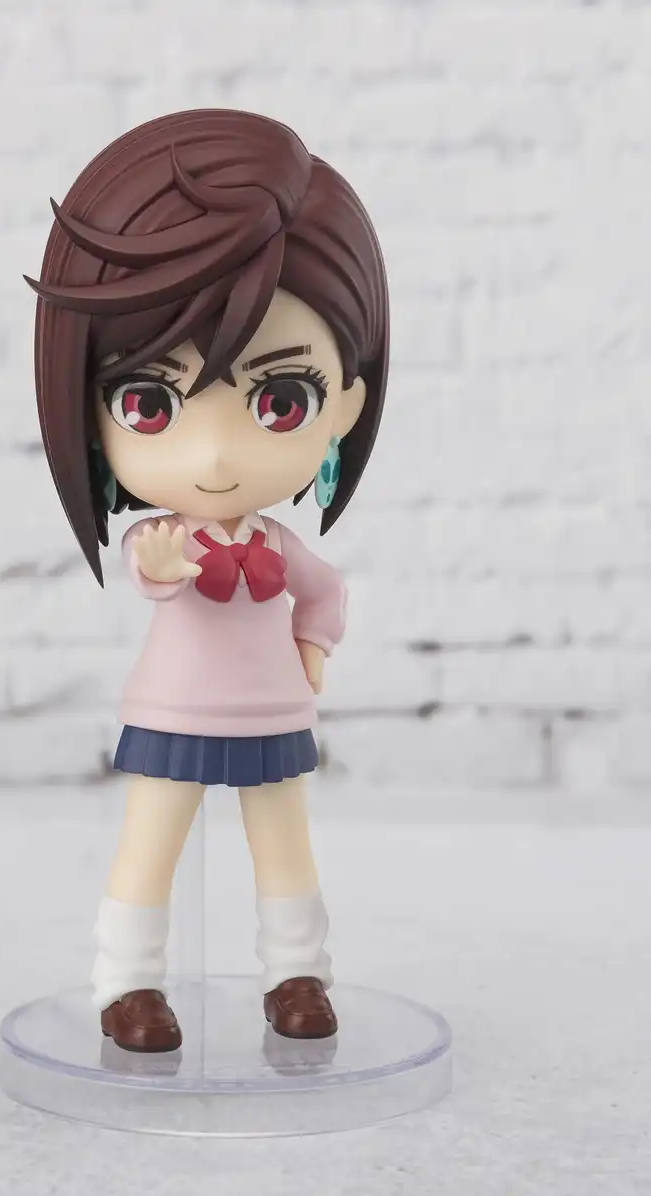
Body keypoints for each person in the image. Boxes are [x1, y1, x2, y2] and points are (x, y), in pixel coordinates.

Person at [26, 108, 389, 1052]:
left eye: (281, 400)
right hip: (175, 709)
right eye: (148, 401)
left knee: (283, 841)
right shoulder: (163, 537)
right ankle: (128, 983)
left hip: (271, 711)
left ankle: (296, 974)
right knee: (151, 840)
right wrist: (159, 567)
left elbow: (324, 590)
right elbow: (154, 572)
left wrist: (313, 648)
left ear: (345, 403)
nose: (217, 453)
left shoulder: (278, 542)